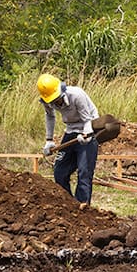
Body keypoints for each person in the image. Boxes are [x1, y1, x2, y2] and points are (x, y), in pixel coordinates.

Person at [37, 73, 100, 204]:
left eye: (57, 99)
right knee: (60, 171)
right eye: (52, 101)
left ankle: (82, 206)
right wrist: (49, 140)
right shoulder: (47, 100)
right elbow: (50, 116)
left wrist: (87, 134)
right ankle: (68, 205)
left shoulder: (77, 95)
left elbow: (87, 119)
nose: (55, 103)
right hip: (70, 130)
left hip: (88, 127)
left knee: (84, 172)